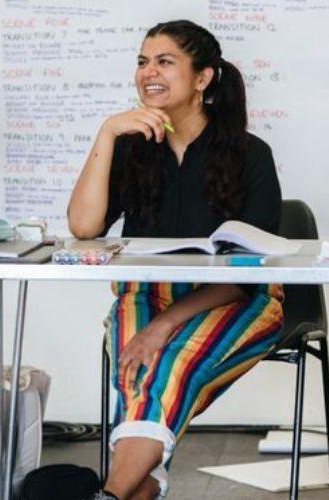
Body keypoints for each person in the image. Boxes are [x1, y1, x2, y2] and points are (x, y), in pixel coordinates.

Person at [67, 20, 284, 500]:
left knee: (167, 366)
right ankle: (134, 488)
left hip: (236, 301)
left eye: (165, 61)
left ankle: (113, 493)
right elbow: (84, 229)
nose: (149, 73)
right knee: (143, 373)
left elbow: (249, 275)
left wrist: (162, 327)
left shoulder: (251, 155)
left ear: (203, 78)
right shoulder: (131, 148)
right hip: (146, 293)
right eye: (143, 61)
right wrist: (107, 133)